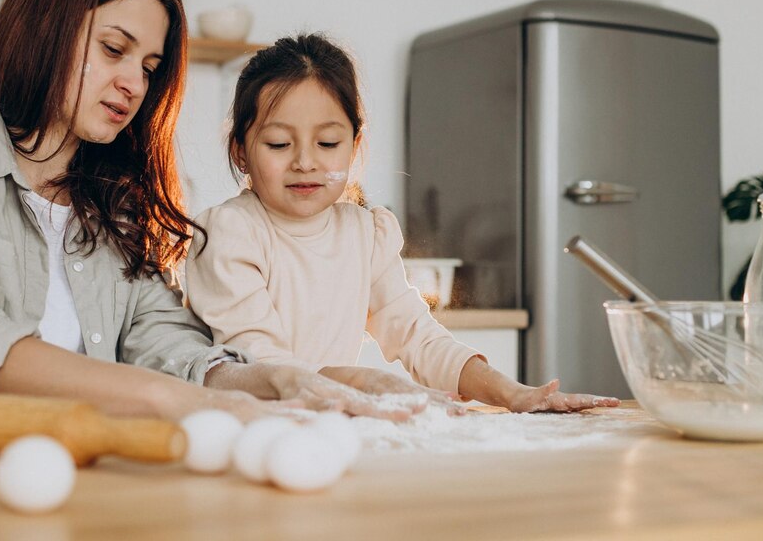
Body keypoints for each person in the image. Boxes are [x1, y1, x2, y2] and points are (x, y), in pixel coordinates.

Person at [0, 0, 414, 421]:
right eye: (114, 49)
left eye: (148, 67)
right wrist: (170, 401)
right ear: (46, 30)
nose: (134, 84)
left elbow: (170, 345)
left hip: (79, 483)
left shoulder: (114, 209)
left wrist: (281, 381)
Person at [186, 33, 620, 412]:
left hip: (326, 427)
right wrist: (358, 383)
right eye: (279, 143)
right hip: (246, 432)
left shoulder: (364, 234)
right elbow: (264, 365)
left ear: (354, 149)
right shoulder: (228, 234)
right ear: (241, 150)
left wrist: (512, 393)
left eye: (328, 142)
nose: (305, 162)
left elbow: (418, 336)